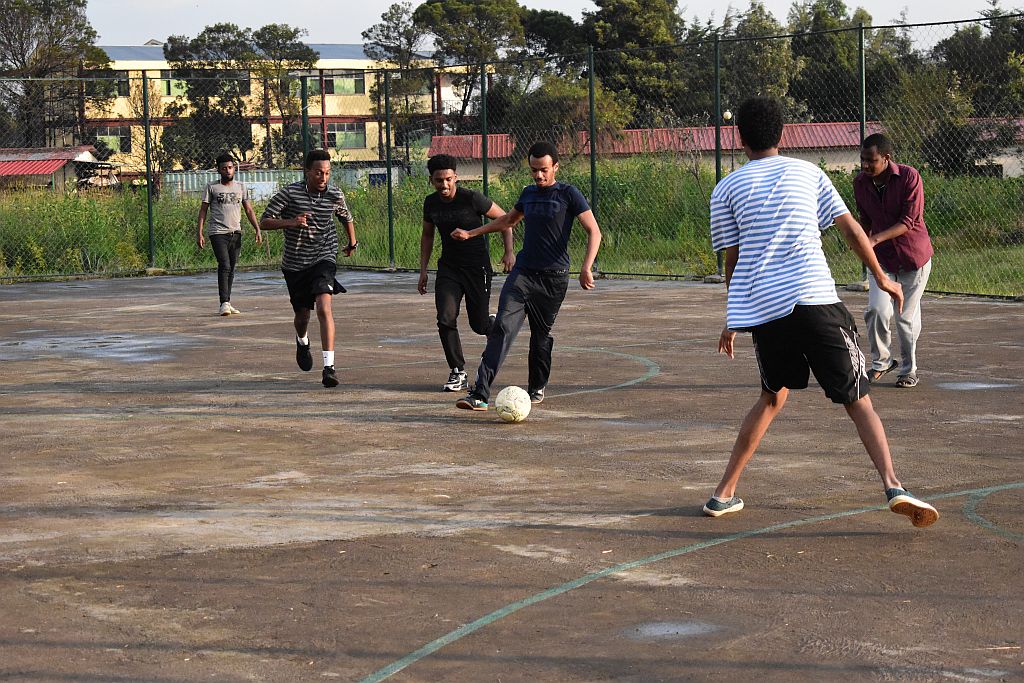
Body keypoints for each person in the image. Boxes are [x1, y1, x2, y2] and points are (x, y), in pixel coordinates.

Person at [706, 97, 938, 528]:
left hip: (767, 311)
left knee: (771, 396)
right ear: (782, 134)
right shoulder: (808, 172)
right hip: (814, 301)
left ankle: (722, 494)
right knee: (858, 399)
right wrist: (882, 277)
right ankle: (893, 486)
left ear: (740, 138)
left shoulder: (726, 189)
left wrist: (733, 317)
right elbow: (851, 230)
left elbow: (732, 260)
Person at [451, 141, 602, 411]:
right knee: (502, 328)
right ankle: (480, 393)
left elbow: (594, 231)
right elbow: (508, 220)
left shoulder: (569, 194)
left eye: (544, 170)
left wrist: (586, 266)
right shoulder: (528, 194)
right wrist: (472, 233)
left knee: (540, 338)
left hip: (553, 278)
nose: (538, 175)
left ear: (555, 167)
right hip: (523, 274)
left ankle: (537, 386)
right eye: (534, 170)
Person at [259, 150, 358, 388]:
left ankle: (329, 368)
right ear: (307, 172)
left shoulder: (334, 194)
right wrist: (291, 222)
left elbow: (346, 216)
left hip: (324, 257)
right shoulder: (290, 194)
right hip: (295, 264)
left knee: (324, 307)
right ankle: (302, 341)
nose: (323, 178)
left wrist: (352, 242)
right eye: (318, 173)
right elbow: (264, 221)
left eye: (327, 173)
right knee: (302, 316)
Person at [419, 154, 515, 392]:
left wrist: (509, 252)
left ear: (456, 177)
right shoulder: (430, 203)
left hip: (476, 268)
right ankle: (457, 371)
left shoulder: (471, 198)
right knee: (445, 317)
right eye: (439, 180)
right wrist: (423, 270)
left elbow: (506, 220)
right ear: (431, 180)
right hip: (449, 269)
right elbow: (428, 235)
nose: (444, 185)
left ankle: (492, 325)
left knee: (478, 325)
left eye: (448, 179)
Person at [854, 133, 934, 389]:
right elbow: (865, 219)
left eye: (871, 160)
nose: (865, 165)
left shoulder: (909, 177)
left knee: (904, 318)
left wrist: (874, 239)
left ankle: (909, 370)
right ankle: (882, 363)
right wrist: (863, 241)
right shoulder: (860, 183)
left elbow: (909, 221)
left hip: (913, 259)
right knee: (876, 310)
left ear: (886, 158)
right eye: (863, 159)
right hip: (882, 260)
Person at [196, 152, 262, 316]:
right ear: (219, 170)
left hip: (236, 232)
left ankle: (227, 301)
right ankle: (223, 302)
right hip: (218, 232)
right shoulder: (212, 187)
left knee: (232, 267)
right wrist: (200, 233)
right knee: (224, 265)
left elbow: (248, 209)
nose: (228, 170)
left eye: (230, 167)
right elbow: (203, 211)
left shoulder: (240, 187)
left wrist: (257, 229)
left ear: (234, 169)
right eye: (224, 168)